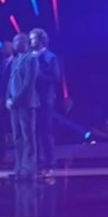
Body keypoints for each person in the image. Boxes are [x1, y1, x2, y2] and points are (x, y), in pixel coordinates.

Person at [29, 28, 61, 179]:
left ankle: (50, 162)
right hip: (30, 98)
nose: (31, 41)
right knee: (32, 131)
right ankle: (36, 162)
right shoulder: (28, 57)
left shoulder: (50, 57)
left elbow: (55, 77)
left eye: (34, 38)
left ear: (41, 40)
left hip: (45, 98)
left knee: (45, 130)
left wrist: (37, 76)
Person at [6, 33, 36, 179]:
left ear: (26, 43)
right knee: (17, 137)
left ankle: (29, 169)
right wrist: (8, 99)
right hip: (14, 105)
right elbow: (10, 82)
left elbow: (28, 83)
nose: (16, 44)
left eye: (19, 41)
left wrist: (15, 99)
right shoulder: (15, 60)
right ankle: (19, 168)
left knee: (27, 136)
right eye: (14, 41)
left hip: (26, 103)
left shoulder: (31, 59)